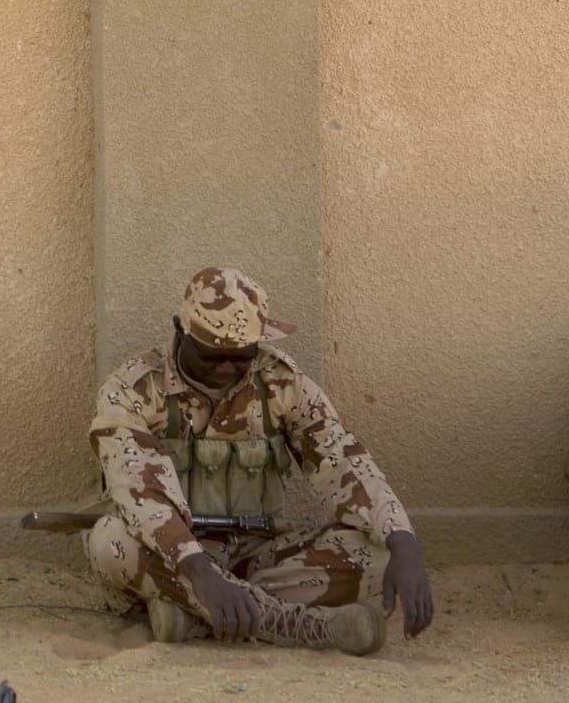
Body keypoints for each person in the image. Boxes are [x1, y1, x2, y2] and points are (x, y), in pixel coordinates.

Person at [85, 267, 435, 654]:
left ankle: (194, 615)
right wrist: (197, 568)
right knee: (109, 540)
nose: (225, 369)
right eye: (211, 356)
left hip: (257, 556)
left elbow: (341, 461)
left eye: (240, 358)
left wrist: (402, 539)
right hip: (171, 558)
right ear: (180, 332)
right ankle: (304, 627)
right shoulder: (131, 390)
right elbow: (140, 488)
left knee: (383, 557)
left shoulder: (282, 383)